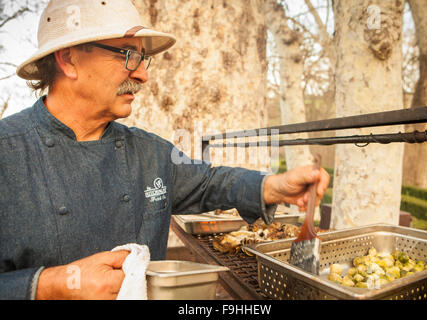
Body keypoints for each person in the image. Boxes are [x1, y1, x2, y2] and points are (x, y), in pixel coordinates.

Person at [0, 0, 329, 300]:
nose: (142, 75)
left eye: (143, 59)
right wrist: (52, 284)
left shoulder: (149, 151)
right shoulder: (7, 153)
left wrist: (274, 185)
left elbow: (208, 182)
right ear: (69, 59)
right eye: (128, 55)